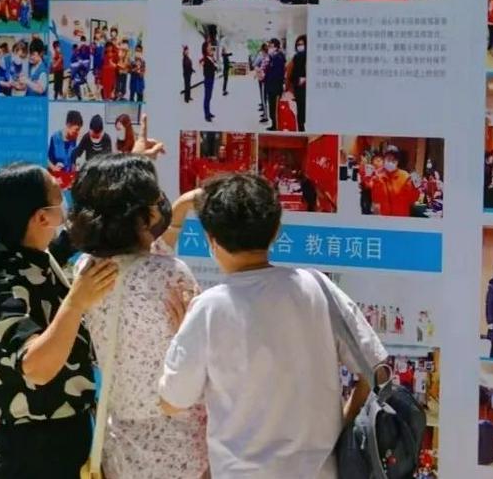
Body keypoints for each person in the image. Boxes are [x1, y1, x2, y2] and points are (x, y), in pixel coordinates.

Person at [159, 173, 389, 478]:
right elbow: (378, 371)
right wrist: (344, 430)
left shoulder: (208, 308)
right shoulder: (316, 286)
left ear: (212, 242)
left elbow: (173, 402)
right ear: (276, 231)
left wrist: (180, 338)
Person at [0, 163, 118, 478]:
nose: (65, 203)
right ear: (41, 217)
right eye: (59, 195)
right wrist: (76, 303)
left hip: (63, 438)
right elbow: (36, 366)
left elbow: (72, 239)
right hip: (33, 453)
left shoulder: (33, 254)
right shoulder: (3, 285)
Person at [69, 154, 209, 478]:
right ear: (141, 215)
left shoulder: (86, 269)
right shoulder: (172, 275)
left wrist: (181, 209)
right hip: (181, 439)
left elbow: (140, 257)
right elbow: (204, 348)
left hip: (120, 441)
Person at [371, 146, 421, 216]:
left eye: (394, 160)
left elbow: (412, 200)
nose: (391, 162)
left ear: (397, 161)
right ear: (384, 160)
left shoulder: (405, 176)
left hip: (400, 217)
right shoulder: (378, 177)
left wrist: (417, 188)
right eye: (388, 159)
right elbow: (375, 200)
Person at [47, 110, 84, 178]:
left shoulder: (76, 141)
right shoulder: (55, 138)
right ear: (68, 125)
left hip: (69, 178)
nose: (78, 133)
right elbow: (46, 159)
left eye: (79, 130)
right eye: (76, 130)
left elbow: (75, 162)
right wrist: (53, 168)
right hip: (57, 179)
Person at [264, 38, 286, 131]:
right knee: (272, 108)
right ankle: (274, 125)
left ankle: (276, 127)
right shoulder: (273, 57)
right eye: (269, 46)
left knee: (275, 109)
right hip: (271, 86)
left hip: (276, 87)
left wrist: (267, 73)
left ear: (276, 47)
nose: (269, 48)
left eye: (271, 46)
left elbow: (277, 73)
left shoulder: (279, 57)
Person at [289, 35, 307, 132]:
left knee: (302, 110)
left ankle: (301, 127)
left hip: (302, 88)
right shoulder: (297, 57)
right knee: (301, 110)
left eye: (302, 44)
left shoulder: (299, 57)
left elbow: (293, 74)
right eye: (298, 44)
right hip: (300, 88)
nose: (300, 46)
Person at [201, 43, 217, 123]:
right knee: (207, 98)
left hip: (211, 78)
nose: (211, 47)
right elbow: (205, 71)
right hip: (208, 79)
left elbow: (214, 66)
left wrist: (213, 60)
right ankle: (206, 115)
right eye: (209, 46)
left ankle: (209, 112)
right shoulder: (205, 58)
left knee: (209, 97)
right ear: (205, 48)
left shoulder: (210, 57)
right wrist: (212, 68)